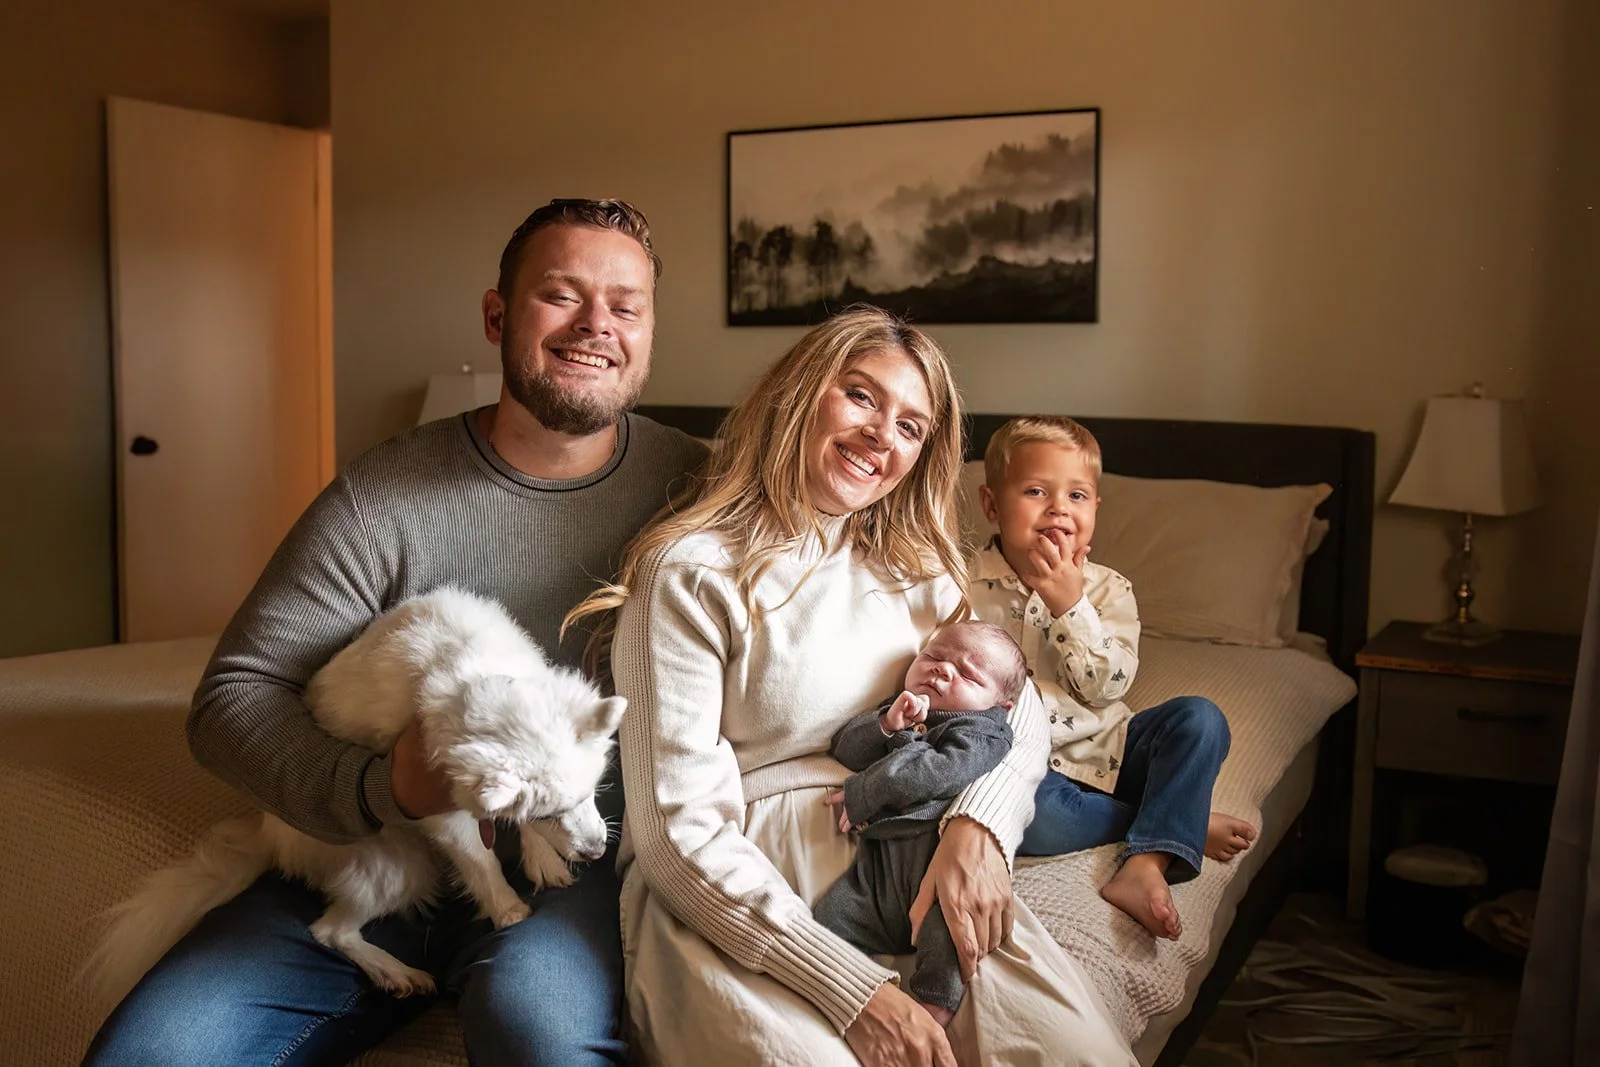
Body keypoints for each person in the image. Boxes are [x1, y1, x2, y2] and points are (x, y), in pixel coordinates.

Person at [83, 199, 707, 1066]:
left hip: (570, 870)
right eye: (560, 295)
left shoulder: (699, 489)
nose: (596, 325)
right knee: (151, 1053)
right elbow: (231, 699)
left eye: (625, 304)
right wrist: (388, 788)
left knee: (544, 1038)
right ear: (496, 316)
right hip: (373, 839)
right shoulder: (381, 496)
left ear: (648, 328)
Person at [574, 306, 1136, 1066]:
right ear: (800, 393)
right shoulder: (688, 571)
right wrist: (854, 990)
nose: (883, 434)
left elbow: (1019, 703)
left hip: (915, 847)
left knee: (1075, 1052)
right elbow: (678, 838)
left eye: (911, 425)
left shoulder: (919, 567)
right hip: (735, 890)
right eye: (863, 397)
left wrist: (981, 826)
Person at [971, 415, 1257, 942]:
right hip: (1028, 770)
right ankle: (1174, 824)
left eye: (1077, 495)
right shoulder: (961, 586)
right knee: (1033, 821)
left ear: (1095, 510)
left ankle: (1144, 864)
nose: (1059, 508)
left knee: (1201, 720)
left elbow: (1108, 687)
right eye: (1036, 491)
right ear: (992, 505)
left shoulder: (1109, 592)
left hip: (1112, 750)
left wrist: (1069, 605)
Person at [815, 620, 1026, 1029]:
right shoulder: (904, 706)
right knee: (831, 918)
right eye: (934, 656)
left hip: (935, 868)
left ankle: (933, 1012)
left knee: (949, 930)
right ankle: (844, 991)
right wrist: (885, 725)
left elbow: (937, 772)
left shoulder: (984, 733)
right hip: (877, 875)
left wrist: (867, 789)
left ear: (1001, 708)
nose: (943, 670)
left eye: (968, 674)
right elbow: (846, 749)